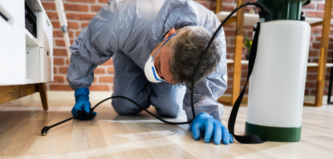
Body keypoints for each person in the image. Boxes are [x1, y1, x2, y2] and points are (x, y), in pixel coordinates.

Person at [67, 0, 234, 145]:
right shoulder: (125, 18)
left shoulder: (213, 43)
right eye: (159, 64)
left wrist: (203, 113)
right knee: (125, 106)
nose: (156, 75)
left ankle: (165, 84)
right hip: (131, 54)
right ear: (169, 35)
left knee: (172, 110)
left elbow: (208, 86)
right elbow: (88, 48)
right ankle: (150, 86)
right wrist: (81, 92)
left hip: (165, 64)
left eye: (166, 78)